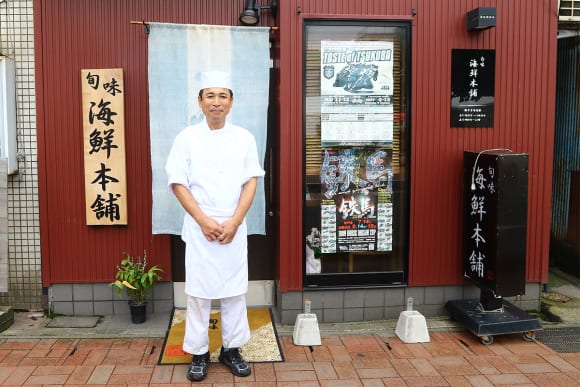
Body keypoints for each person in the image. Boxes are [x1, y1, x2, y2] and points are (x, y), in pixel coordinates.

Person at [165, 71, 265, 382]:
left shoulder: (244, 137)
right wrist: (204, 220)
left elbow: (251, 182)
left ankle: (232, 349)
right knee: (198, 293)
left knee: (234, 292)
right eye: (210, 95)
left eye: (223, 96)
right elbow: (178, 183)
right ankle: (198, 352)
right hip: (200, 225)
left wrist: (234, 221)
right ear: (200, 101)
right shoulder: (186, 138)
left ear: (231, 102)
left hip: (233, 225)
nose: (216, 102)